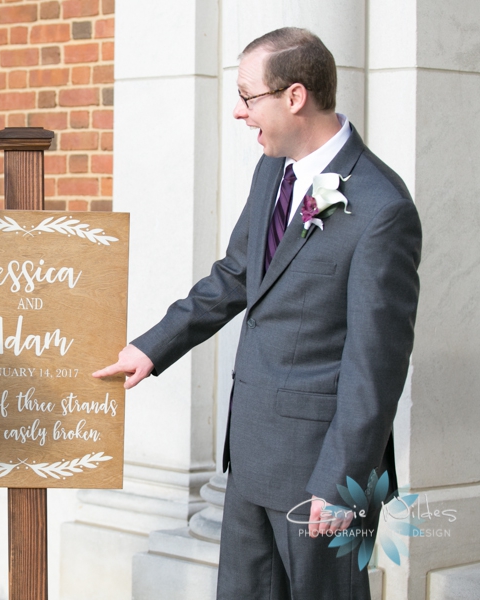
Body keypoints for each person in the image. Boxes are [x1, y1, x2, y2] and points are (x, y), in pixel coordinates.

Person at [94, 28, 421, 599]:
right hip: (249, 457)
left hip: (318, 473)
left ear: (294, 97)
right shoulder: (273, 169)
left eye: (249, 98)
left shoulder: (382, 208)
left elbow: (377, 364)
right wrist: (153, 345)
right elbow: (239, 274)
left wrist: (340, 481)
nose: (241, 114)